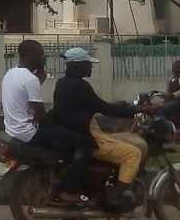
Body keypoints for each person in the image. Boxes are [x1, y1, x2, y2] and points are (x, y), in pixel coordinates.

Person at [52, 47, 146, 212]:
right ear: (78, 65)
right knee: (133, 153)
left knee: (120, 140)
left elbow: (95, 106)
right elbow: (103, 108)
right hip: (86, 136)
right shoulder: (81, 86)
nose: (91, 67)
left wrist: (118, 106)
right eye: (88, 64)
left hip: (76, 132)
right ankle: (114, 197)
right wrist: (137, 110)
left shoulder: (62, 83)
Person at [1, 40, 94, 206]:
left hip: (14, 130)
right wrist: (59, 125)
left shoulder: (10, 74)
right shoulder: (30, 79)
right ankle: (68, 190)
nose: (44, 58)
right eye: (41, 54)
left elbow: (25, 101)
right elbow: (42, 116)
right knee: (84, 142)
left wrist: (40, 78)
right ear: (30, 56)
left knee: (65, 137)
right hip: (30, 132)